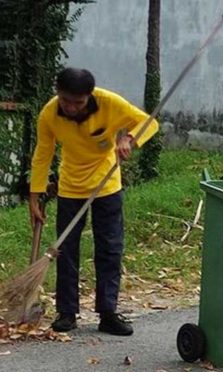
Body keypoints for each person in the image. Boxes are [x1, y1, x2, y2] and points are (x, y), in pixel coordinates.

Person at [29, 67, 159, 335]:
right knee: (65, 250)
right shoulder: (49, 114)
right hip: (70, 188)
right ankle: (67, 313)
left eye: (79, 102)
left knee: (110, 248)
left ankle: (108, 312)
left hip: (106, 185)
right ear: (58, 94)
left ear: (89, 96)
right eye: (66, 101)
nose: (72, 107)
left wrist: (129, 139)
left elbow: (149, 122)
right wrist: (34, 196)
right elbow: (43, 154)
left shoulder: (110, 103)